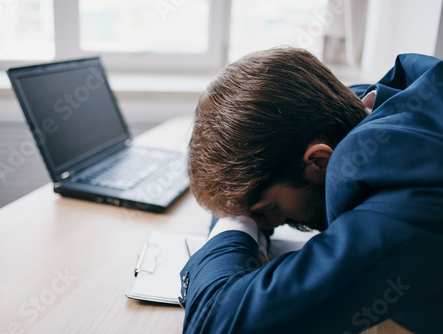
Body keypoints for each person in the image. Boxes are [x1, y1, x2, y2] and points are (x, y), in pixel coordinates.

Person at [179, 47, 443, 334]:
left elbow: (213, 322)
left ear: (318, 161)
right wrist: (240, 207)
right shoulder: (355, 109)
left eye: (272, 207)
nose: (274, 222)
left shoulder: (405, 193)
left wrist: (233, 225)